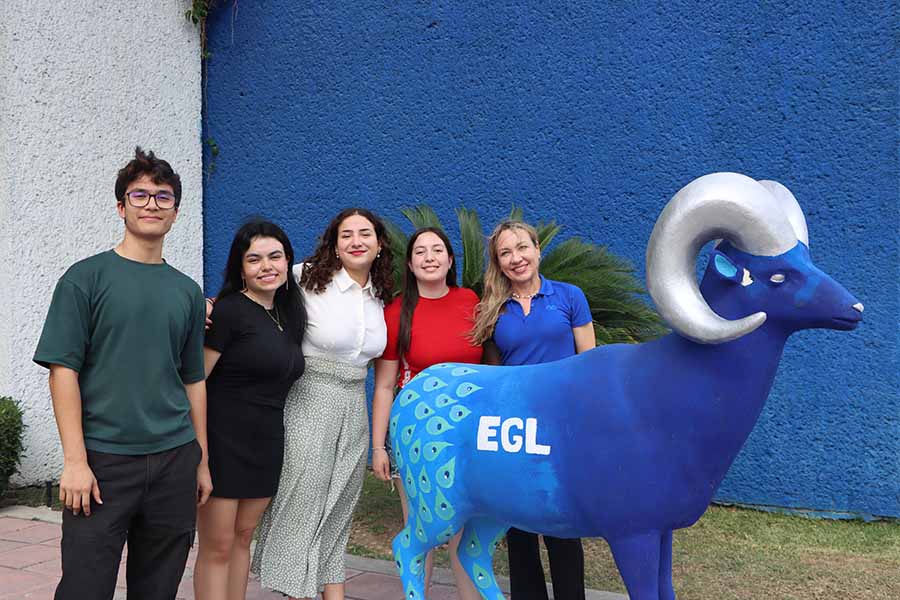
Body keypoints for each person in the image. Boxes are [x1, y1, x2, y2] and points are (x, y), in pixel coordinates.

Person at [33, 147, 211, 600]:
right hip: (103, 462)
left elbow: (193, 380)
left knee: (158, 589)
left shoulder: (187, 292)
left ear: (175, 212)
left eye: (163, 196)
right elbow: (63, 371)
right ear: (121, 207)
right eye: (140, 194)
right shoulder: (85, 279)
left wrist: (201, 460)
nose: (152, 204)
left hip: (174, 459)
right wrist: (75, 461)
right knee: (84, 588)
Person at [251, 208, 393, 600]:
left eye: (365, 234)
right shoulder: (306, 276)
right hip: (309, 399)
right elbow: (257, 285)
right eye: (346, 235)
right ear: (334, 244)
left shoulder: (381, 294)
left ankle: (331, 592)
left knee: (340, 505)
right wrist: (217, 305)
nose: (356, 241)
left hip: (353, 405)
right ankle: (294, 590)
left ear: (379, 244)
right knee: (302, 499)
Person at [470, 220, 596, 600]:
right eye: (505, 253)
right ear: (498, 262)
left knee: (562, 525)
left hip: (561, 426)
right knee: (518, 527)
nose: (516, 258)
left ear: (537, 250)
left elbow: (589, 364)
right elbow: (492, 373)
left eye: (522, 248)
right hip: (513, 429)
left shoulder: (570, 297)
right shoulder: (492, 308)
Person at [193, 220, 307, 600]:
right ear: (240, 267)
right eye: (254, 259)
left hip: (266, 444)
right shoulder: (227, 312)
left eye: (275, 256)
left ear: (288, 261)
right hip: (223, 444)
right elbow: (195, 385)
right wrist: (201, 457)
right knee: (218, 545)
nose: (266, 266)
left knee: (243, 539)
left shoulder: (288, 316)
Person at [371, 227, 483, 599]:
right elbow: (385, 386)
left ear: (451, 261)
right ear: (410, 262)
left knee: (466, 530)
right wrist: (378, 447)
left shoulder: (472, 302)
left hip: (470, 431)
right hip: (417, 434)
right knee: (422, 527)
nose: (430, 257)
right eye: (421, 251)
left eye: (438, 250)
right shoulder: (397, 311)